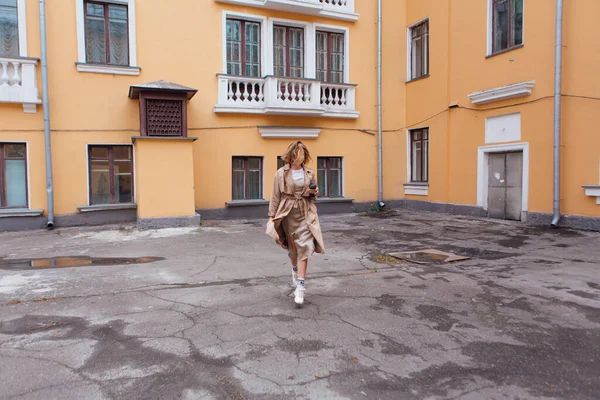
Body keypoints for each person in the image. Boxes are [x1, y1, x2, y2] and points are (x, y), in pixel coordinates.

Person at [266, 141, 325, 305]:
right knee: (293, 249)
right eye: (297, 154)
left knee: (305, 246)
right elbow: (275, 195)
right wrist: (271, 216)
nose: (299, 158)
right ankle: (294, 269)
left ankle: (300, 287)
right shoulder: (281, 173)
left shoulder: (310, 173)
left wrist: (314, 193)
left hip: (306, 212)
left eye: (302, 155)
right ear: (291, 155)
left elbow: (314, 196)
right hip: (288, 212)